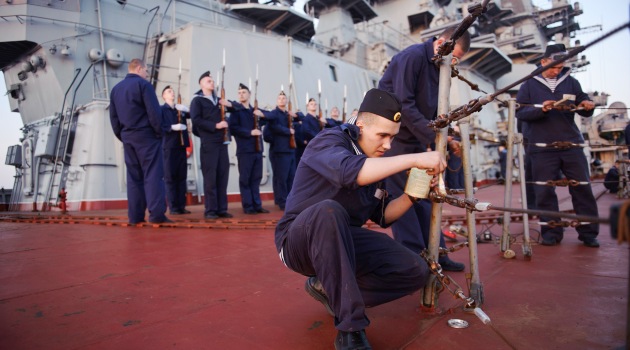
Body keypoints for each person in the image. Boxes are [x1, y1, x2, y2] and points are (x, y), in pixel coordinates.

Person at [275, 88, 446, 350]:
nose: (388, 145)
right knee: (328, 211)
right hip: (299, 242)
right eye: (383, 136)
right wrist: (416, 157)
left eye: (393, 137)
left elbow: (384, 215)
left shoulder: (374, 163)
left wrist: (414, 193)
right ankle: (350, 327)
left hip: (343, 241)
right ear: (361, 124)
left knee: (414, 270)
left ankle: (328, 290)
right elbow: (349, 172)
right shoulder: (330, 140)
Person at [377, 26, 471, 270]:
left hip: (417, 140)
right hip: (396, 140)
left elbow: (434, 109)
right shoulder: (412, 57)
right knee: (402, 198)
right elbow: (403, 103)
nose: (452, 63)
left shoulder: (439, 66)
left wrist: (445, 136)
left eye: (457, 60)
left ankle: (436, 254)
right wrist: (433, 136)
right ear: (440, 42)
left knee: (425, 196)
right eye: (453, 57)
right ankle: (415, 262)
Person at [516, 43, 599, 248]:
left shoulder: (571, 82)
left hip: (571, 144)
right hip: (542, 147)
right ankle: (551, 232)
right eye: (553, 67)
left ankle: (589, 233)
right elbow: (520, 112)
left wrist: (587, 105)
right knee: (544, 192)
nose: (556, 71)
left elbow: (582, 103)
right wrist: (542, 110)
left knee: (582, 189)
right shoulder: (528, 85)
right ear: (543, 62)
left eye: (560, 68)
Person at [109, 58, 171, 224]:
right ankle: (157, 215)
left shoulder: (115, 90)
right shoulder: (144, 85)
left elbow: (114, 119)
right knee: (153, 174)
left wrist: (123, 136)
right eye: (146, 70)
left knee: (134, 177)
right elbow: (154, 112)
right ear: (139, 68)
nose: (146, 74)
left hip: (128, 138)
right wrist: (159, 132)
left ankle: (135, 217)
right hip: (146, 137)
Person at [190, 71, 232, 219]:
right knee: (210, 177)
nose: (212, 83)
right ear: (201, 84)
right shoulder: (198, 101)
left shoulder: (219, 100)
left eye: (212, 81)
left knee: (222, 175)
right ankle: (211, 210)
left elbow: (237, 108)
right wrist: (216, 125)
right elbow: (196, 121)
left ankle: (221, 209)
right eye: (208, 81)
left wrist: (230, 104)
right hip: (209, 143)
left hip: (222, 142)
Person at [226, 83, 270, 214]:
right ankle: (248, 206)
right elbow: (233, 129)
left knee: (256, 178)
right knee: (245, 179)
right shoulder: (236, 111)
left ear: (249, 94)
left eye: (244, 92)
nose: (241, 95)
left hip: (257, 150)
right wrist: (250, 133)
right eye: (239, 93)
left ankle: (257, 205)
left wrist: (261, 114)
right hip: (245, 150)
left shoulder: (254, 111)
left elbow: (269, 118)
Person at [262, 91, 297, 210]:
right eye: (279, 98)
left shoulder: (289, 115)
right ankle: (282, 201)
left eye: (284, 98)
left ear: (286, 101)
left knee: (291, 177)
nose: (282, 100)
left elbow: (302, 118)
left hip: (290, 150)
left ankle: (289, 199)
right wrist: (279, 140)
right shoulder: (273, 114)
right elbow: (267, 133)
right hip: (279, 151)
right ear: (277, 101)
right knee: (281, 178)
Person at [161, 85, 191, 215]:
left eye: (172, 91)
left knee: (181, 177)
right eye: (169, 91)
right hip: (169, 147)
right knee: (170, 177)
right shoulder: (161, 110)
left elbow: (193, 115)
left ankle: (181, 206)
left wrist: (186, 109)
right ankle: (173, 207)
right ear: (164, 96)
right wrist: (172, 127)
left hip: (181, 146)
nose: (172, 93)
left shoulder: (180, 110)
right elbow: (158, 125)